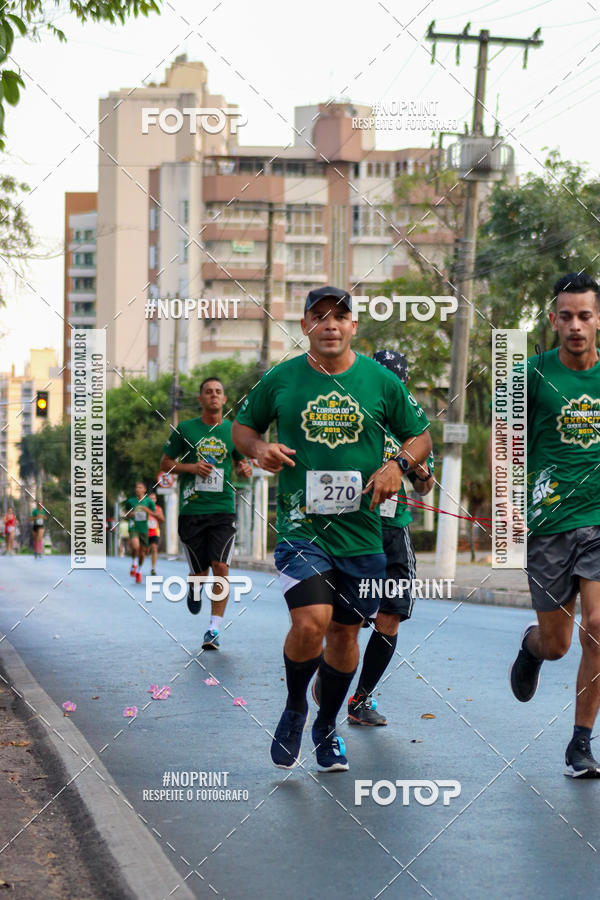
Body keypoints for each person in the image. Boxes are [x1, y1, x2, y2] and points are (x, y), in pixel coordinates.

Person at [232, 286, 432, 772]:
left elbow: (421, 435)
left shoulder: (381, 382)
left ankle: (326, 725)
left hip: (364, 538)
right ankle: (296, 706)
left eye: (340, 317)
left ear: (353, 326)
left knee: (344, 638)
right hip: (303, 530)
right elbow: (242, 428)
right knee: (310, 622)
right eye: (319, 317)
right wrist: (259, 450)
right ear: (304, 326)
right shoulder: (282, 379)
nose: (330, 325)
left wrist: (397, 466)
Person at [497, 273, 600, 777]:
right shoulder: (531, 374)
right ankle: (530, 646)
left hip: (598, 522)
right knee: (557, 644)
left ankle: (580, 743)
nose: (576, 325)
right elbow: (506, 443)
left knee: (599, 628)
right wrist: (509, 502)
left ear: (598, 319)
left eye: (585, 315)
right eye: (566, 316)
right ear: (553, 320)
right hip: (550, 521)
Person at [312, 350, 435, 726]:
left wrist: (421, 472)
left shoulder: (414, 429)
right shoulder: (349, 419)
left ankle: (360, 699)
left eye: (396, 381)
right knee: (344, 619)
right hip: (352, 531)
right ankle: (329, 671)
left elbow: (426, 487)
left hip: (394, 532)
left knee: (391, 616)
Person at [160, 377, 252, 651]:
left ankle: (213, 629)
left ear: (224, 400)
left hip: (223, 509)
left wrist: (244, 470)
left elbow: (240, 464)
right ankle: (195, 585)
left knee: (221, 566)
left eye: (218, 392)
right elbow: (165, 463)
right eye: (208, 392)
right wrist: (192, 469)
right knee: (200, 571)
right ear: (200, 399)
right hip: (192, 510)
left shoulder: (233, 431)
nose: (213, 395)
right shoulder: (186, 429)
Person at [124, 482, 157, 583]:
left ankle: (139, 571)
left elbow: (154, 513)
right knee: (135, 547)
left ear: (144, 490)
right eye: (136, 487)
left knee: (143, 552)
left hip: (144, 529)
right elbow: (126, 513)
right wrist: (130, 514)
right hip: (134, 527)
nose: (137, 489)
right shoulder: (130, 501)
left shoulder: (148, 502)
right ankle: (134, 563)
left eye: (140, 487)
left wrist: (147, 511)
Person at [147, 491, 165, 576]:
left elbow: (162, 520)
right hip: (145, 532)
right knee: (144, 550)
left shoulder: (158, 509)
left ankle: (153, 568)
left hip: (155, 531)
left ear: (156, 500)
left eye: (154, 498)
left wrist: (157, 516)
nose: (152, 500)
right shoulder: (144, 508)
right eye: (151, 499)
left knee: (154, 548)